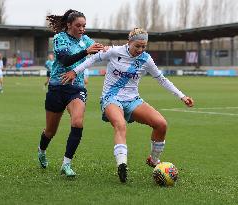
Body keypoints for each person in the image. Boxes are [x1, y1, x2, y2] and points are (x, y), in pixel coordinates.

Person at [61, 28, 194, 183]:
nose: (140, 50)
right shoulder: (114, 51)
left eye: (144, 46)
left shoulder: (146, 59)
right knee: (120, 124)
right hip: (111, 98)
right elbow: (93, 59)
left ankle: (154, 160)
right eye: (137, 46)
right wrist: (75, 72)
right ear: (129, 42)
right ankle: (122, 165)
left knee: (161, 124)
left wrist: (182, 96)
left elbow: (161, 79)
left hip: (133, 100)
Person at [37, 9, 104, 177]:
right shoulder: (60, 38)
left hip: (76, 88)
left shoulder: (86, 40)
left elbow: (102, 51)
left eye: (84, 26)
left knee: (77, 122)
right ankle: (41, 150)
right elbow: (65, 60)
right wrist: (86, 52)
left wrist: (126, 49)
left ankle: (66, 164)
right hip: (57, 88)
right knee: (50, 132)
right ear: (69, 25)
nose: (82, 29)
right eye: (78, 26)